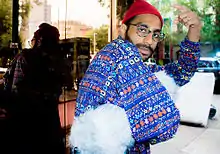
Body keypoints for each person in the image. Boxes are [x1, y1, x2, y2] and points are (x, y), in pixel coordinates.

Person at [69, 0, 202, 153]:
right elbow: (163, 123)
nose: (149, 41)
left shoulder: (127, 62)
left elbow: (181, 72)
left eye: (156, 34)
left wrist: (194, 30)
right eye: (142, 30)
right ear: (123, 29)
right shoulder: (120, 53)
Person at [2, 23, 70, 154]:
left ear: (39, 40)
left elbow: (15, 88)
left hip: (28, 123)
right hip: (42, 122)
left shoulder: (27, 58)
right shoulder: (46, 60)